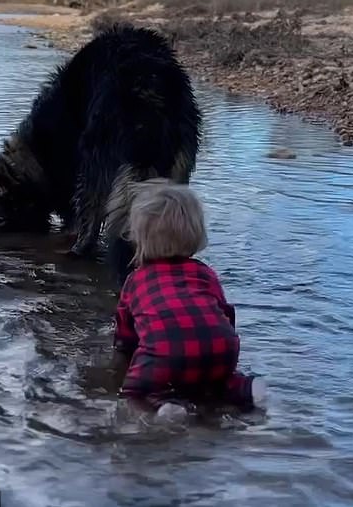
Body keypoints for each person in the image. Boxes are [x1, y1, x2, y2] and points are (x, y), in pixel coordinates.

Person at [110, 180, 266, 421]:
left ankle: (161, 406)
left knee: (133, 393)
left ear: (138, 239)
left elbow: (126, 335)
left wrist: (124, 357)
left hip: (165, 353)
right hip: (222, 347)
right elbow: (226, 314)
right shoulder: (205, 273)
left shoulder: (135, 280)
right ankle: (246, 390)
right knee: (215, 382)